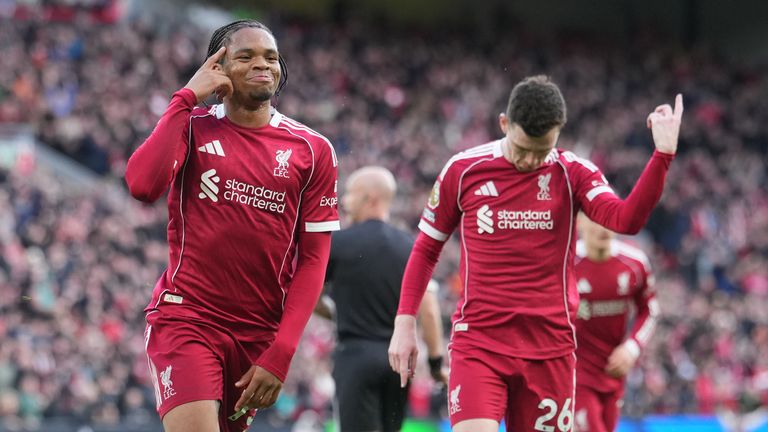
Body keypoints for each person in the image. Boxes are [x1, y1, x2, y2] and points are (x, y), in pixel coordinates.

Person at [388, 75, 683, 432]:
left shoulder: (574, 173)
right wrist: (405, 323)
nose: (529, 161)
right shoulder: (464, 170)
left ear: (559, 133)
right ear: (503, 124)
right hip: (480, 344)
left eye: (541, 151)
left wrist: (662, 155)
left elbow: (626, 219)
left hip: (551, 350)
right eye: (521, 148)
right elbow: (426, 248)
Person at [124, 20, 339, 432]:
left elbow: (314, 260)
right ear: (218, 68)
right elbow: (141, 185)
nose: (264, 65)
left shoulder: (313, 150)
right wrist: (186, 97)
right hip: (187, 318)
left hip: (257, 335)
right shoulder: (192, 126)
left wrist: (282, 351)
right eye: (246, 56)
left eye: (271, 57)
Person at [316, 166, 447, 432]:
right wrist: (435, 364)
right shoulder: (410, 246)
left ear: (370, 198)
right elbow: (429, 311)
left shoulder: (337, 243)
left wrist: (335, 313)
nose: (344, 202)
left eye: (350, 195)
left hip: (354, 358)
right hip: (397, 363)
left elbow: (310, 295)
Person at [573, 214, 658, 432]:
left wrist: (632, 348)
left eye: (607, 219)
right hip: (575, 375)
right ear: (579, 222)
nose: (602, 227)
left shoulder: (634, 263)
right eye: (594, 219)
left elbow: (650, 310)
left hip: (613, 374)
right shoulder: (566, 263)